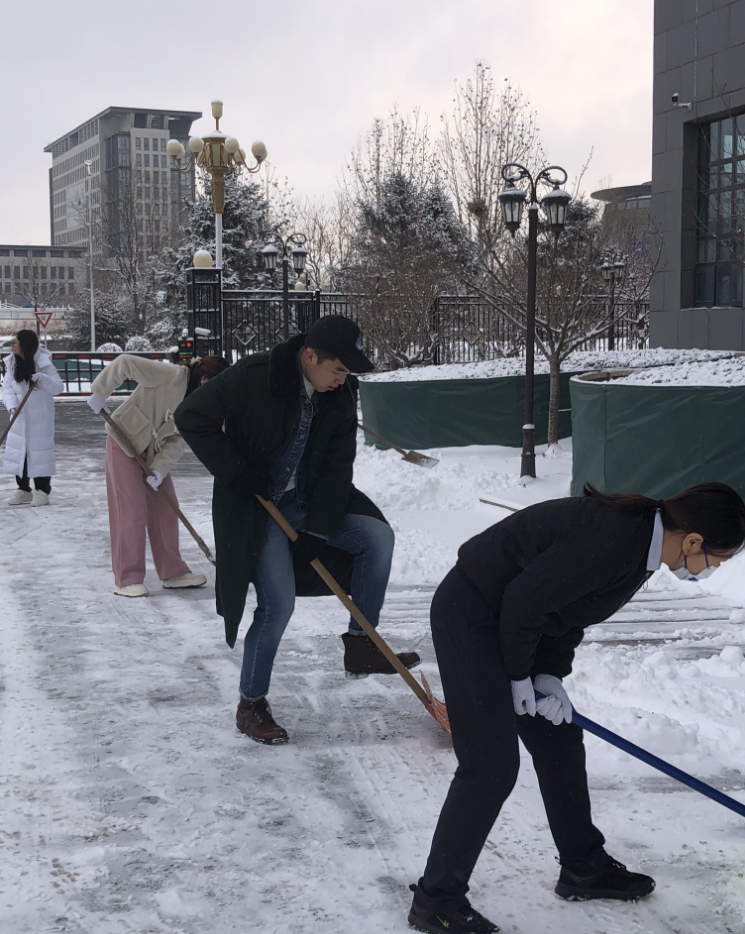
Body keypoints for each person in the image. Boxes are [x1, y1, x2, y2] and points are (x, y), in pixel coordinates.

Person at [408, 482, 745, 934]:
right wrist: (516, 674)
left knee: (558, 738)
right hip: (472, 612)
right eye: (715, 560)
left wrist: (548, 675)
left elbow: (569, 609)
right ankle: (437, 900)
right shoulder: (616, 540)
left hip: (511, 620)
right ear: (692, 541)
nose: (709, 570)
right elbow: (525, 604)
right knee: (490, 765)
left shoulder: (642, 547)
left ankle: (583, 866)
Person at [174, 315, 420, 746]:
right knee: (278, 605)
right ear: (310, 356)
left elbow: (335, 468)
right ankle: (251, 702)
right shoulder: (253, 377)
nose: (342, 380)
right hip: (254, 506)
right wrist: (235, 470)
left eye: (348, 372)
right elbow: (191, 416)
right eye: (338, 369)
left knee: (377, 538)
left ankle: (361, 645)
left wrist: (319, 532)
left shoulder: (340, 396)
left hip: (305, 502)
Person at [87, 353, 229, 598]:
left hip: (152, 455)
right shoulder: (170, 376)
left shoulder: (197, 406)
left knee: (166, 509)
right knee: (131, 511)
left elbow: (178, 440)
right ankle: (127, 577)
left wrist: (160, 468)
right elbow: (125, 363)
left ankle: (173, 572)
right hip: (124, 442)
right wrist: (100, 391)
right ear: (205, 380)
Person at [2, 329, 64, 506]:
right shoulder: (12, 363)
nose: (13, 345)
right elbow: (6, 387)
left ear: (26, 345)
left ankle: (42, 491)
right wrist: (11, 405)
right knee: (19, 453)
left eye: (16, 342)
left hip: (40, 419)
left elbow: (58, 388)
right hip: (19, 417)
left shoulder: (43, 363)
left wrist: (43, 378)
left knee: (39, 453)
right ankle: (23, 490)